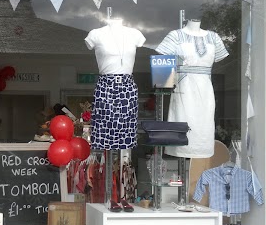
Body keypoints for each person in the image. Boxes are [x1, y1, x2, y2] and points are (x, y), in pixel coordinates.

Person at [156, 19, 229, 158]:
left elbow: (219, 56)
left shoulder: (214, 38)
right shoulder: (175, 35)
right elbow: (163, 64)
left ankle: (201, 148)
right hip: (184, 88)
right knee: (183, 122)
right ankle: (180, 150)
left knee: (204, 125)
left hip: (205, 89)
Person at [85, 18, 146, 150]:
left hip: (127, 86)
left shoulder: (135, 34)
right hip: (105, 86)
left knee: (126, 127)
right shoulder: (96, 34)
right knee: (103, 125)